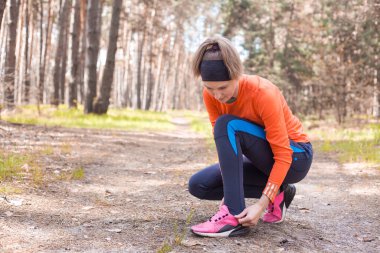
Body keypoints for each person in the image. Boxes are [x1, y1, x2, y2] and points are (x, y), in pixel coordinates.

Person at [188, 35, 313, 237]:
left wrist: (261, 205)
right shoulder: (210, 95)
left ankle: (232, 216)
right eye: (210, 88)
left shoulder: (263, 93)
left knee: (226, 124)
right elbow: (226, 144)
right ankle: (280, 192)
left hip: (296, 157)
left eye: (222, 87)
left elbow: (282, 155)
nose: (217, 95)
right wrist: (230, 188)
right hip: (262, 157)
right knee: (199, 185)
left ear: (237, 75)